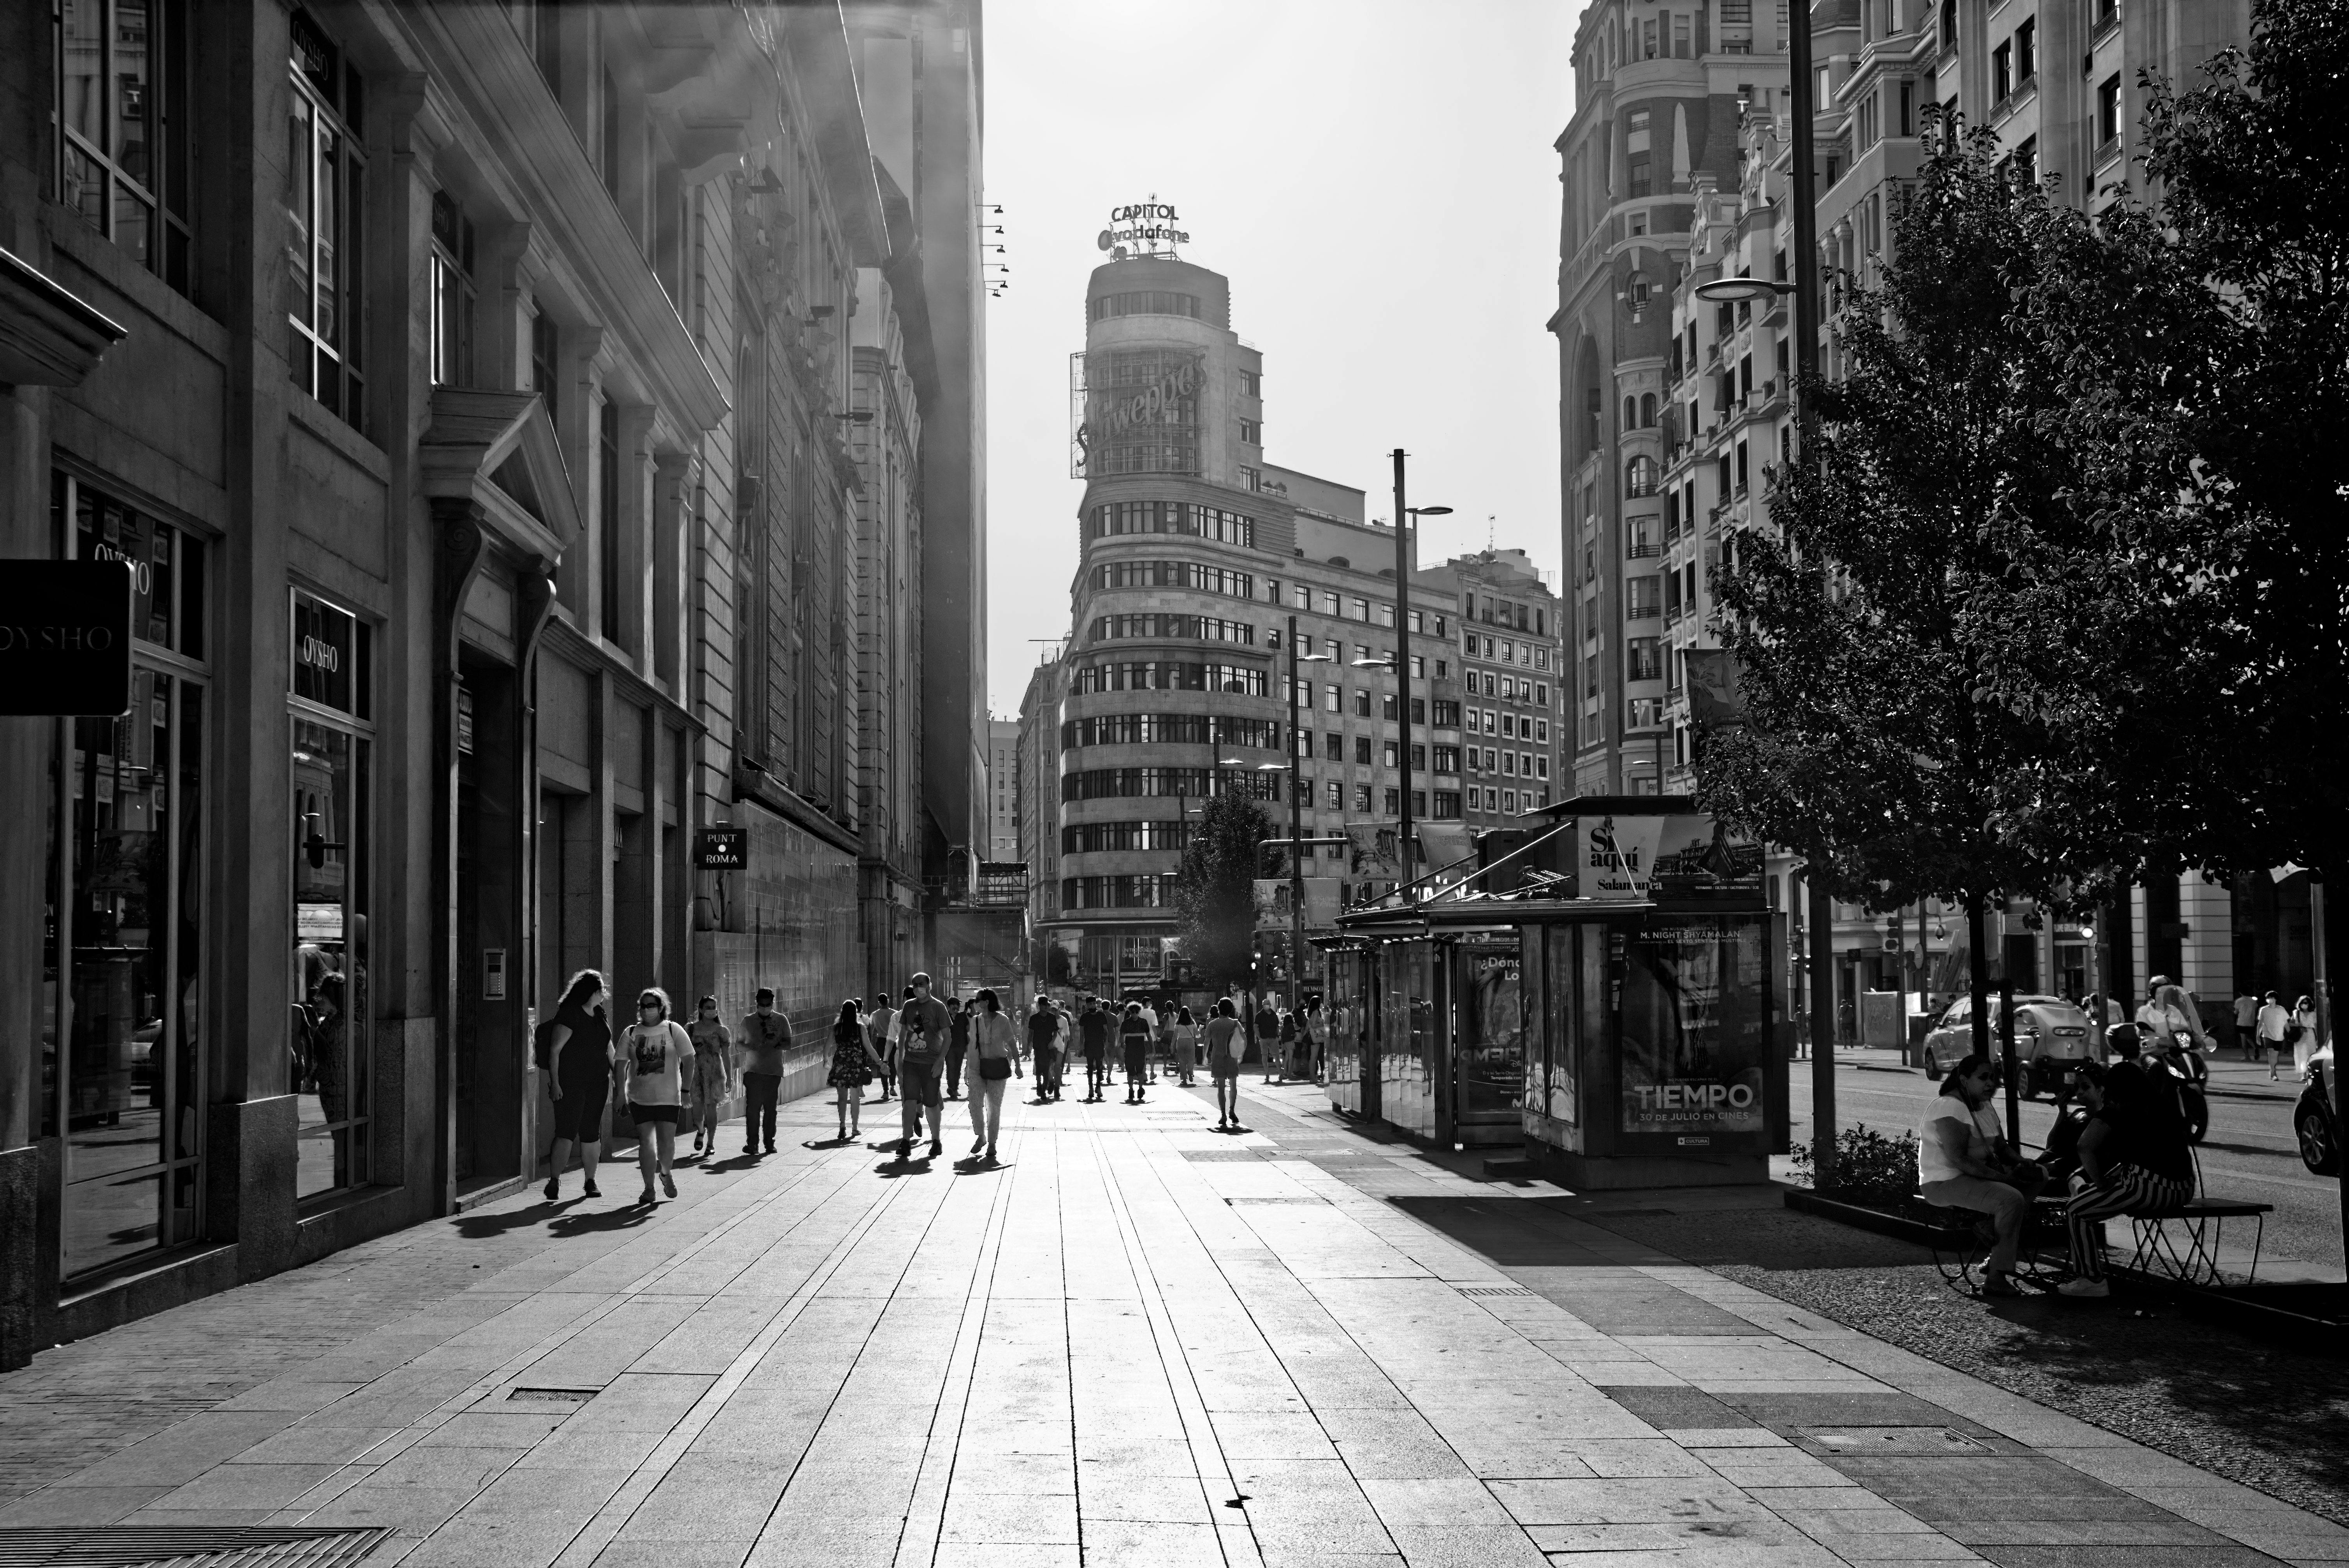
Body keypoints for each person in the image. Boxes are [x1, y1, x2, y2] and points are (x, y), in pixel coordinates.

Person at [2058, 1051, 2196, 1297]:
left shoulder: (2117, 1111)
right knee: (2098, 1194)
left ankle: (2092, 1280)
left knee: (2076, 1210)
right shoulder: (2162, 1106)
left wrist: (2100, 1183)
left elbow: (2084, 1147)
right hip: (2184, 1190)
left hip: (2150, 1188)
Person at [1915, 1055, 2047, 1298]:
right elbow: (1960, 1160)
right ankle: (1996, 1278)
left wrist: (2022, 1163)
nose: (1991, 1084)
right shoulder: (1949, 1106)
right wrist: (2005, 1180)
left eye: (1993, 1078)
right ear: (1964, 1080)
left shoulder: (1985, 1106)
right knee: (2010, 1199)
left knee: (2039, 1175)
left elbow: (2002, 1148)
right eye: (1983, 1078)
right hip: (1944, 1183)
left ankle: (1990, 1229)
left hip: (1980, 1178)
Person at [543, 969, 611, 1201]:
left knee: (592, 1132)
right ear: (592, 991)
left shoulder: (600, 1013)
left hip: (598, 1084)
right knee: (566, 1132)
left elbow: (608, 1047)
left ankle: (590, 1181)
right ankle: (554, 1180)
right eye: (602, 989)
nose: (605, 993)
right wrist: (555, 1083)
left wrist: (620, 1077)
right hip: (571, 1084)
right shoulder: (570, 1014)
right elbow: (555, 1051)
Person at [622, 988, 691, 1204]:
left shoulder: (673, 1030)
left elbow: (689, 1060)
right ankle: (649, 1188)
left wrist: (686, 1091)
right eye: (642, 1006)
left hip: (668, 1097)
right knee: (646, 1143)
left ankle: (665, 1172)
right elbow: (620, 1063)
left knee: (667, 1143)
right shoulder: (631, 1032)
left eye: (651, 1005)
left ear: (661, 1008)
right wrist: (619, 1094)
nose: (646, 1010)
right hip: (639, 1097)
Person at [893, 972, 952, 1162]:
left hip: (930, 1064)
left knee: (931, 1103)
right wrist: (900, 1061)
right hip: (911, 1063)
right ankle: (906, 1140)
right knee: (909, 1102)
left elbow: (948, 1038)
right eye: (915, 985)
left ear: (929, 985)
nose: (918, 987)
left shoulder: (938, 1007)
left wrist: (940, 1061)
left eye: (921, 984)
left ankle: (936, 1140)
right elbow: (902, 1034)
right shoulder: (909, 1006)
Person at [967, 988, 1022, 1162]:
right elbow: (971, 1047)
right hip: (978, 1068)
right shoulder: (975, 1021)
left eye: (978, 1000)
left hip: (998, 1067)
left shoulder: (1003, 1020)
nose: (976, 1003)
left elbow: (1013, 1044)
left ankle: (992, 1143)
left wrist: (1018, 1066)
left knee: (994, 1107)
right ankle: (981, 1136)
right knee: (975, 1104)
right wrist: (968, 1068)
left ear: (987, 1002)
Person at [737, 988, 792, 1157]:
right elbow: (739, 1045)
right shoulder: (748, 1020)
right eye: (762, 1005)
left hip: (773, 1071)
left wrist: (776, 1044)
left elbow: (788, 1044)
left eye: (768, 1005)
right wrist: (753, 1046)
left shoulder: (781, 1020)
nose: (765, 1008)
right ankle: (752, 1144)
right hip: (753, 1071)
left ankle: (769, 1143)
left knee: (771, 1109)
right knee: (753, 1109)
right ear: (757, 1003)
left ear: (773, 1003)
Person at [685, 996, 735, 1158]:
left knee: (712, 1107)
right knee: (698, 1110)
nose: (712, 1010)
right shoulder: (691, 1029)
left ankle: (711, 1143)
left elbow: (727, 1056)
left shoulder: (722, 1031)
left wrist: (730, 1076)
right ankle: (701, 1130)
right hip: (695, 1072)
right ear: (700, 1010)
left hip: (714, 1072)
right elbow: (684, 1053)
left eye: (714, 1007)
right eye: (708, 1007)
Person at [826, 999, 883, 1140]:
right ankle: (855, 1128)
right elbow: (869, 1048)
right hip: (856, 1065)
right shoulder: (860, 1027)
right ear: (855, 1012)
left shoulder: (836, 1028)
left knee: (842, 1098)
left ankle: (842, 1127)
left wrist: (826, 1060)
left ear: (842, 1012)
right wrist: (880, 1063)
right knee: (855, 1098)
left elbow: (826, 1047)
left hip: (840, 1064)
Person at [1206, 998, 1244, 1130]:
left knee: (1221, 1088)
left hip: (1217, 1058)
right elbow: (1244, 1039)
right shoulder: (1235, 1023)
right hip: (1232, 1058)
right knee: (1233, 1085)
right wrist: (1241, 1054)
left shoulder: (1212, 1024)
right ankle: (1232, 1111)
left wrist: (1205, 1056)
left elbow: (1207, 1042)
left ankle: (1223, 1114)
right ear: (1231, 1010)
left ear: (1218, 1009)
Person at [1027, 995, 1064, 1102]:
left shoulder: (1052, 1018)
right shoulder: (1034, 1018)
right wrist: (1028, 1047)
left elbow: (1056, 1033)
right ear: (1039, 1005)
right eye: (1044, 1005)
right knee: (1039, 1069)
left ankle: (1045, 1087)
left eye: (1047, 1005)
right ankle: (1039, 1086)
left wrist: (1052, 1042)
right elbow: (1030, 1034)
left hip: (1049, 1047)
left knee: (1047, 1068)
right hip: (1038, 1047)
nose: (1046, 1007)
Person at [867, 992, 899, 1102]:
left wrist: (870, 1042)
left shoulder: (875, 1015)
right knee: (893, 1063)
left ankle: (885, 1091)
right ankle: (893, 1088)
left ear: (879, 1003)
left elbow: (871, 1030)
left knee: (883, 1064)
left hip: (881, 1042)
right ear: (888, 1001)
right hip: (893, 1041)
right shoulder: (894, 1014)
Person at [1078, 997, 1111, 1102]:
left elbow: (1106, 1031)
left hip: (1099, 1045)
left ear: (1096, 1004)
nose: (1093, 1006)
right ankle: (1091, 1088)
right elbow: (1082, 1033)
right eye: (1090, 1004)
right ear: (1087, 1006)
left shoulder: (1102, 1016)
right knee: (1090, 1068)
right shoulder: (1084, 1017)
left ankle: (1098, 1087)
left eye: (1094, 1004)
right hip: (1089, 1045)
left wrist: (1106, 1044)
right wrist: (1081, 1046)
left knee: (1100, 1067)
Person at [1120, 1001, 1151, 1104]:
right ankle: (1131, 1089)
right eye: (1133, 1012)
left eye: (1136, 1012)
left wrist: (1153, 1047)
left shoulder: (1143, 1022)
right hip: (1130, 1050)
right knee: (1130, 1071)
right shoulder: (1126, 1023)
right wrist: (1122, 1044)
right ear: (1130, 1012)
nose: (1134, 1014)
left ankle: (1140, 1089)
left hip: (1140, 1049)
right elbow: (1122, 1036)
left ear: (1139, 1012)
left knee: (1140, 1071)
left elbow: (1149, 1035)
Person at [2257, 990, 2292, 1081]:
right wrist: (2258, 1036)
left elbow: (2286, 1023)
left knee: (2275, 1056)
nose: (2270, 1000)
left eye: (2271, 998)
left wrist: (2290, 1034)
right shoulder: (2263, 1010)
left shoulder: (2281, 1009)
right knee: (2271, 1052)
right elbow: (2260, 1023)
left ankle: (2272, 1070)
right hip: (2267, 1035)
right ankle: (2274, 1073)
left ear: (2276, 999)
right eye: (2268, 998)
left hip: (2279, 1036)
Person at [944, 995, 971, 1102]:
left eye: (959, 1005)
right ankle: (952, 1088)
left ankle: (955, 1088)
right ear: (951, 1006)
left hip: (961, 1046)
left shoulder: (963, 1016)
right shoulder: (945, 1016)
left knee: (958, 1068)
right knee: (950, 1067)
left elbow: (968, 1030)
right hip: (948, 1047)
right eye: (957, 1005)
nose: (959, 1007)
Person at [1170, 1005, 1199, 1087]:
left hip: (1180, 1042)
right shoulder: (1193, 1022)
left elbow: (1175, 1036)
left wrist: (1172, 1046)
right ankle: (1190, 1072)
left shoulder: (1178, 1024)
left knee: (1182, 1061)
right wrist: (1200, 1028)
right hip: (1190, 1041)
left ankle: (1184, 1079)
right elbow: (1197, 1034)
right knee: (1191, 1059)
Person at [2293, 994, 2321, 1074]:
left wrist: (2317, 1037)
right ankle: (2303, 1073)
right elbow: (2291, 1024)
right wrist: (2298, 1025)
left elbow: (2316, 1026)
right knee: (2301, 1055)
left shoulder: (2313, 1014)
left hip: (2310, 1034)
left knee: (2310, 1054)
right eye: (2302, 1003)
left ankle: (2309, 1072)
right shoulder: (2296, 1013)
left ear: (2309, 1004)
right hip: (2300, 1035)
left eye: (2306, 1003)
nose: (2304, 1005)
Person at [2233, 989, 2262, 1062]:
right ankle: (2255, 1048)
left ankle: (2247, 1057)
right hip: (2251, 1022)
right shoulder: (2253, 1001)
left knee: (2243, 1039)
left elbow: (2236, 1012)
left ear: (2240, 992)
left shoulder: (2239, 1001)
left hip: (2242, 1022)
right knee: (2248, 1037)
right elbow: (2256, 1008)